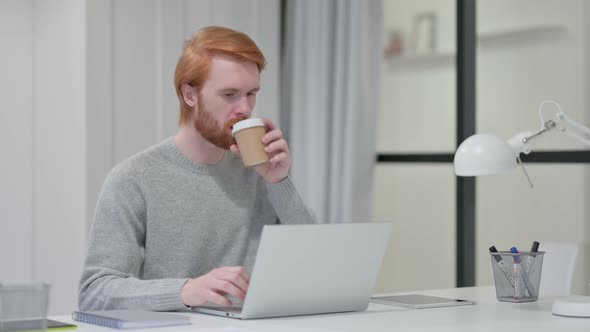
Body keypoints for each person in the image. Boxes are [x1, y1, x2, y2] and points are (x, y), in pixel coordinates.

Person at [78, 26, 315, 311]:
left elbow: (315, 261)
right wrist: (185, 291)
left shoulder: (258, 171)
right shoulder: (133, 179)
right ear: (190, 95)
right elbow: (95, 292)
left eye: (251, 93)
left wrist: (279, 182)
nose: (244, 108)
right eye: (230, 95)